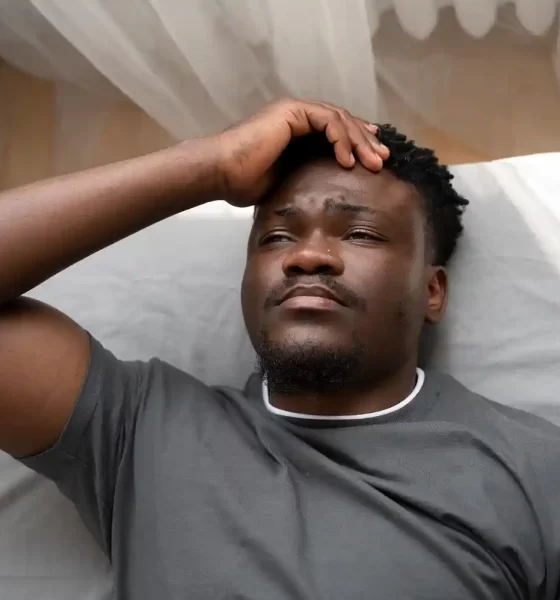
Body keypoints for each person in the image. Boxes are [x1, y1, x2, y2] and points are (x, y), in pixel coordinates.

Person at [0, 98, 559, 600]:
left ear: (432, 291)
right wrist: (213, 165)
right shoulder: (136, 427)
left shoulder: (534, 468)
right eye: (277, 237)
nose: (307, 256)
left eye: (360, 234)